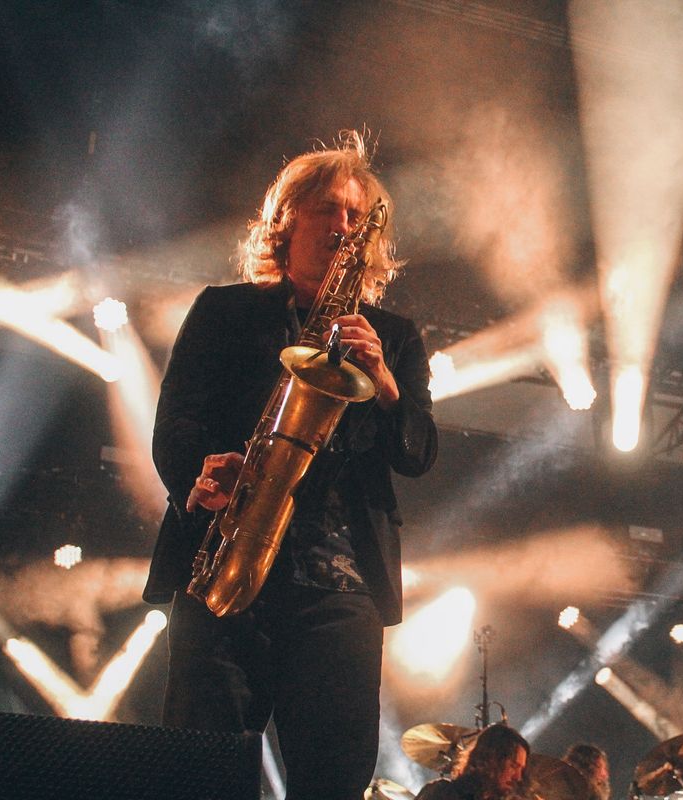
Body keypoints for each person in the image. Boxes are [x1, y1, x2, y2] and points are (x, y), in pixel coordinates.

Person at [143, 130, 438, 800]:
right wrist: (199, 471)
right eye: (328, 209)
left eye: (356, 217)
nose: (343, 225)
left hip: (339, 589)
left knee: (333, 779)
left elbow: (418, 454)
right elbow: (176, 423)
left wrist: (386, 383)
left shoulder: (394, 336)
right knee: (197, 771)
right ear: (286, 220)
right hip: (223, 560)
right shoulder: (224, 311)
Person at [416, 725, 530, 800]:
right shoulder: (443, 792)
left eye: (521, 769)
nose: (518, 777)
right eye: (513, 766)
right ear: (492, 759)